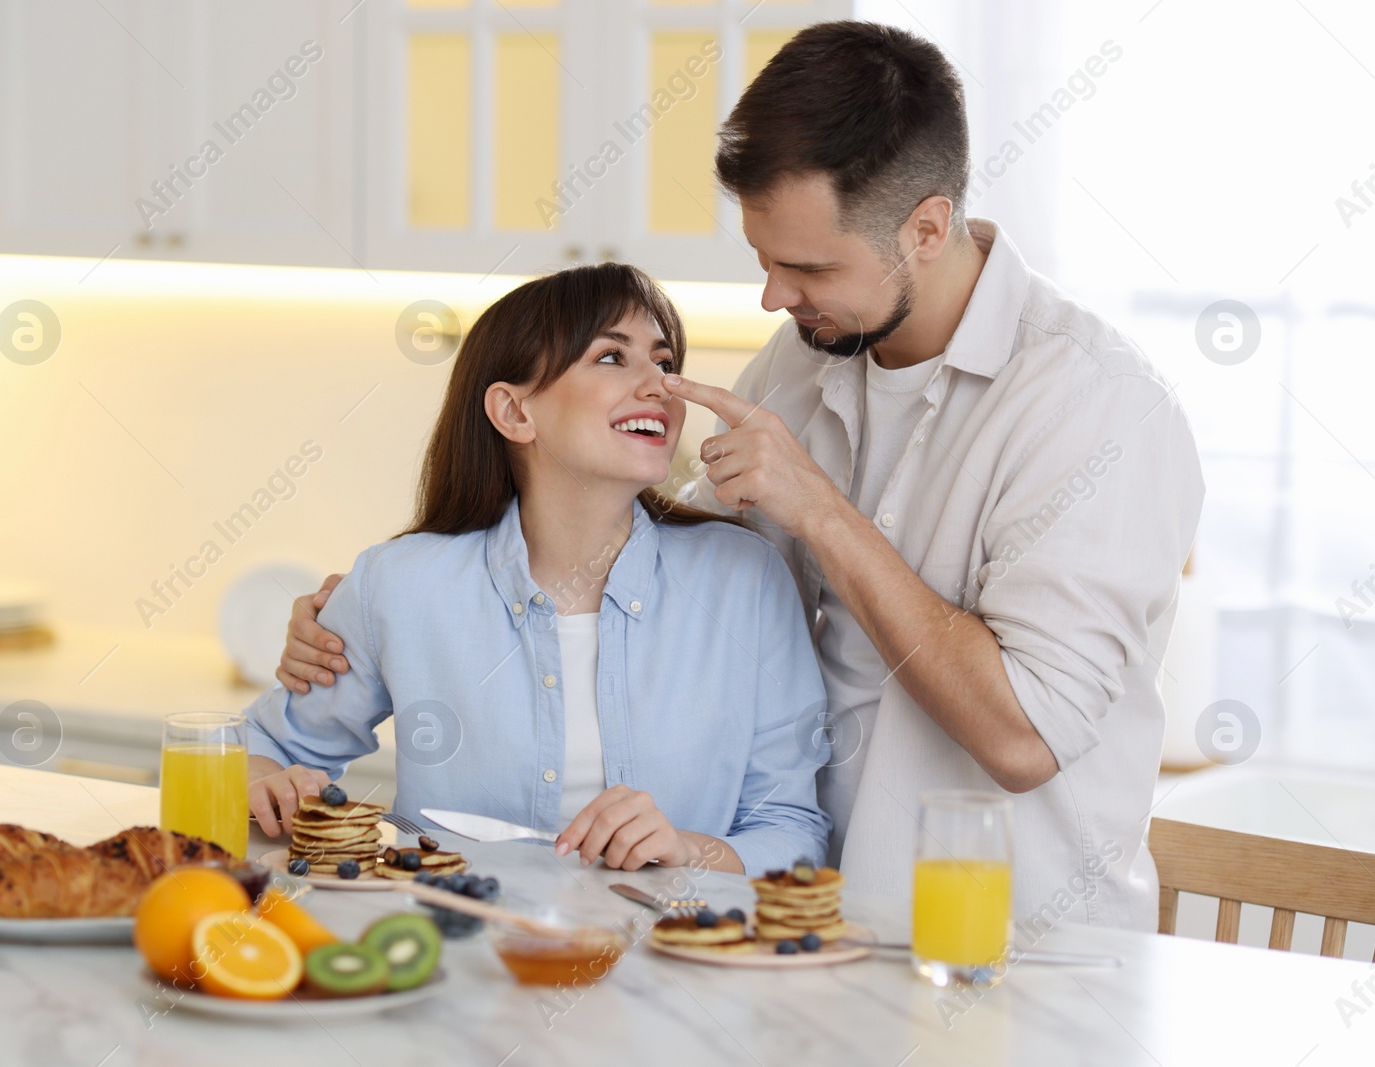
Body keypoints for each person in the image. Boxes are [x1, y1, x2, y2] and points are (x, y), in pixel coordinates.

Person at [280, 22, 1203, 931]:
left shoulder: (1097, 408)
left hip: (1013, 949)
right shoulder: (806, 358)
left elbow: (1025, 738)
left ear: (927, 228)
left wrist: (825, 516)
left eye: (808, 266)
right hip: (806, 927)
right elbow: (670, 560)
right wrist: (368, 612)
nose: (775, 298)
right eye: (765, 261)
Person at [243, 262, 830, 876]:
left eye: (662, 361)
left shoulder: (746, 580)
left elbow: (792, 830)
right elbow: (260, 748)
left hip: (668, 958)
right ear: (514, 412)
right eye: (611, 357)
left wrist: (686, 850)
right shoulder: (398, 584)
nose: (658, 385)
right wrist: (267, 786)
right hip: (452, 955)